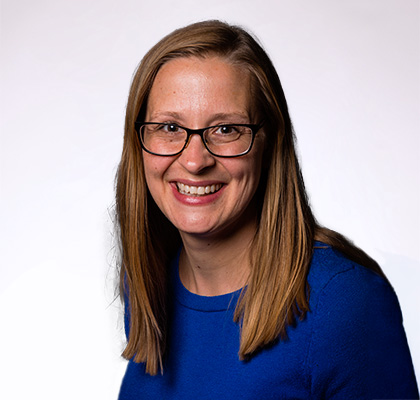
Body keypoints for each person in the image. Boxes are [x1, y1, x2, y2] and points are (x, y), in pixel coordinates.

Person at [115, 20, 418, 399]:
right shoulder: (148, 283)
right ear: (139, 143)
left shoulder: (343, 304)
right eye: (169, 127)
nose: (194, 161)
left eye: (226, 129)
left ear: (269, 142)